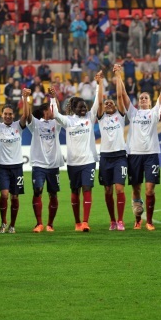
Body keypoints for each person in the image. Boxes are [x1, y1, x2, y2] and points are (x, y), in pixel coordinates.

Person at [116, 63, 161, 230]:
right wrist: (118, 74)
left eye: (146, 98)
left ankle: (150, 221)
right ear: (138, 102)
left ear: (150, 101)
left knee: (150, 189)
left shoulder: (154, 112)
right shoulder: (133, 113)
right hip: (134, 155)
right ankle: (138, 219)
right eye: (141, 98)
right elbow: (123, 93)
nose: (143, 100)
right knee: (136, 189)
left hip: (151, 154)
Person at [51, 76, 100, 232]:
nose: (84, 109)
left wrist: (98, 85)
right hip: (73, 162)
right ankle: (77, 222)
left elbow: (98, 101)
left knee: (87, 188)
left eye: (85, 106)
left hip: (88, 160)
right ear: (74, 109)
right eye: (81, 107)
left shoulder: (90, 118)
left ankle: (85, 222)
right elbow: (55, 115)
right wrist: (53, 98)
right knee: (74, 191)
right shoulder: (68, 121)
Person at [24, 88, 64, 232]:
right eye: (50, 109)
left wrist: (54, 97)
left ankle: (50, 224)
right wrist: (26, 98)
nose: (52, 111)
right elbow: (27, 115)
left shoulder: (56, 124)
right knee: (37, 190)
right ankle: (39, 223)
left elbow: (58, 111)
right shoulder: (35, 124)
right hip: (39, 164)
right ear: (45, 112)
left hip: (53, 164)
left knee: (53, 193)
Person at [0, 101, 27, 234]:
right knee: (4, 195)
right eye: (5, 114)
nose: (8, 116)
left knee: (15, 197)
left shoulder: (19, 126)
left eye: (10, 114)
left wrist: (25, 98)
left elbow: (26, 115)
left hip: (17, 166)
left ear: (13, 114)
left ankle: (12, 225)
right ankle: (3, 222)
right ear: (2, 114)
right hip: (2, 167)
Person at [97, 66, 127, 231]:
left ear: (116, 107)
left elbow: (120, 96)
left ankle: (121, 221)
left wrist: (118, 75)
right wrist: (100, 82)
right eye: (107, 102)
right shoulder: (101, 118)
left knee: (118, 188)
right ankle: (112, 220)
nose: (109, 104)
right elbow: (100, 101)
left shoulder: (120, 116)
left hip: (120, 156)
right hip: (105, 157)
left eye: (111, 103)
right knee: (108, 190)